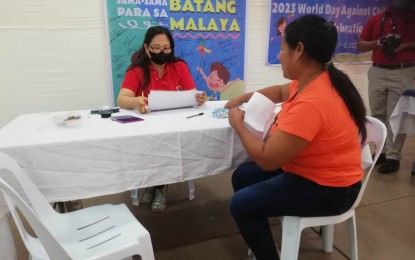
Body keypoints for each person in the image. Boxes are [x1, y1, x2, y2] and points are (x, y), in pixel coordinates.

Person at [225, 15, 367, 260]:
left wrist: (238, 124)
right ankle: (260, 236)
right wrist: (243, 98)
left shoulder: (313, 102)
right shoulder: (314, 79)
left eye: (282, 49)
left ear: (299, 50)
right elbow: (280, 91)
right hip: (312, 172)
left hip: (332, 190)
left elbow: (267, 159)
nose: (279, 56)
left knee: (241, 204)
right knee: (242, 177)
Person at [117, 26, 207, 212]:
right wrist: (136, 101)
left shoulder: (179, 66)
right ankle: (157, 183)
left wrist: (199, 98)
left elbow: (192, 94)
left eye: (166, 48)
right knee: (156, 144)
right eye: (156, 48)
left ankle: (158, 185)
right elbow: (121, 99)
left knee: (169, 142)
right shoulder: (137, 70)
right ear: (146, 48)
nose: (162, 52)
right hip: (146, 126)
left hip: (174, 125)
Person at [356, 0, 415, 173]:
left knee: (395, 117)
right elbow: (360, 45)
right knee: (378, 115)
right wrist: (377, 43)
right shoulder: (377, 20)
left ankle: (393, 157)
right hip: (378, 71)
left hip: (403, 72)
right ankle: (380, 151)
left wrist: (405, 46)